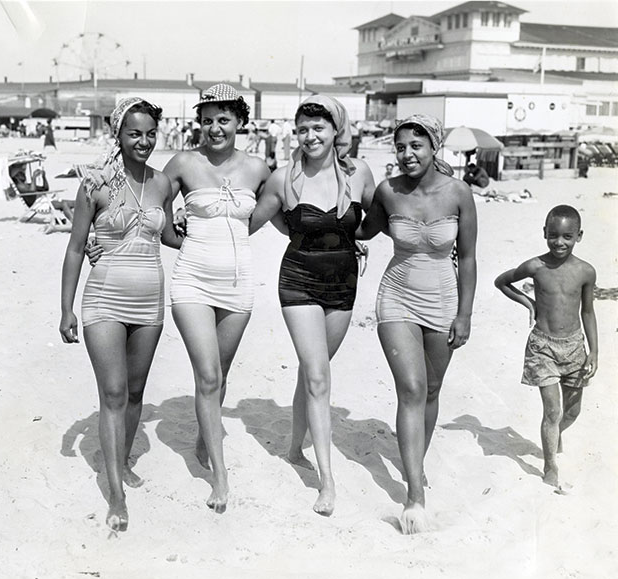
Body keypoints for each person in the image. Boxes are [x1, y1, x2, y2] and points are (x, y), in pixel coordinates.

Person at [59, 97, 183, 532]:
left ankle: (122, 462)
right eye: (135, 133)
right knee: (112, 394)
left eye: (151, 133)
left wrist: (211, 234)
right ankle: (116, 491)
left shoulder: (163, 183)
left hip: (150, 301)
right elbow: (76, 248)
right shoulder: (96, 182)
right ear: (119, 134)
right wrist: (66, 309)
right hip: (104, 297)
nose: (144, 141)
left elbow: (169, 236)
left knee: (134, 392)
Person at [249, 96, 375, 515]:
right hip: (299, 280)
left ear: (336, 130)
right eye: (302, 129)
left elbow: (381, 214)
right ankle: (327, 482)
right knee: (319, 377)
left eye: (318, 128)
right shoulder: (284, 178)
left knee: (312, 369)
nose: (310, 136)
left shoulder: (359, 174)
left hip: (343, 283)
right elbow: (254, 219)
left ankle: (291, 447)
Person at [358, 114, 477, 534]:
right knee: (410, 388)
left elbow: (468, 258)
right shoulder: (389, 192)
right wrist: (342, 183)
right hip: (397, 297)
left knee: (431, 389)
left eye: (416, 146)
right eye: (401, 147)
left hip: (444, 300)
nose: (407, 154)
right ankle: (414, 495)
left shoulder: (459, 192)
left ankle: (416, 462)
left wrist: (465, 313)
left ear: (434, 148)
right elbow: (361, 229)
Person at [161, 83, 271, 512]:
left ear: (240, 122)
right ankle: (220, 480)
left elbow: (281, 212)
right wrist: (174, 239)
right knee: (208, 375)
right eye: (206, 121)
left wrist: (345, 237)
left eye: (223, 120)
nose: (214, 128)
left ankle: (203, 436)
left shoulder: (259, 168)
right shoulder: (185, 162)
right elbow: (149, 202)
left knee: (220, 376)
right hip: (191, 279)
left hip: (239, 283)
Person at [494, 205, 597, 489]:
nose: (559, 242)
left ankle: (556, 434)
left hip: (575, 346)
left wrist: (594, 351)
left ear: (579, 236)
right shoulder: (535, 267)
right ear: (544, 233)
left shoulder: (586, 271)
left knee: (571, 412)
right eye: (553, 235)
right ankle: (550, 464)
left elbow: (587, 312)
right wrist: (528, 302)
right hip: (543, 347)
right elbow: (501, 282)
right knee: (552, 411)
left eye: (567, 236)